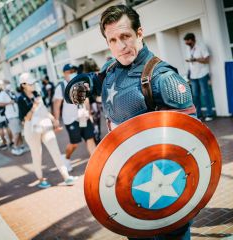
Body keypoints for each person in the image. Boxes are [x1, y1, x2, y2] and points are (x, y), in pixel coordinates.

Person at [65, 5, 196, 240]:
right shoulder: (111, 69)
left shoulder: (164, 79)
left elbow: (192, 143)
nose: (120, 46)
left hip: (164, 183)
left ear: (140, 33)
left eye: (125, 36)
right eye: (112, 39)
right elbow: (94, 81)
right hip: (126, 182)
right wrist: (79, 84)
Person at [17, 72, 77, 188]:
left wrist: (54, 119)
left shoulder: (37, 93)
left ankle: (66, 177)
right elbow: (27, 118)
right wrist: (34, 106)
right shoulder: (21, 99)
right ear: (23, 85)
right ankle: (40, 179)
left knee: (55, 151)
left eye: (34, 82)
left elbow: (43, 109)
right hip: (31, 129)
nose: (33, 84)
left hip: (44, 125)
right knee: (37, 154)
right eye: (30, 83)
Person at [53, 64, 96, 172]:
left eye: (74, 71)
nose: (72, 73)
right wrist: (56, 120)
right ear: (64, 73)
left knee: (90, 139)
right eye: (69, 71)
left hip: (83, 117)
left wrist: (88, 113)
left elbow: (86, 99)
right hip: (70, 119)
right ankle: (66, 158)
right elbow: (57, 104)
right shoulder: (61, 87)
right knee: (74, 143)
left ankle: (96, 163)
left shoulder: (80, 83)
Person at [184, 33, 213, 121]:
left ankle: (209, 114)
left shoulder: (201, 46)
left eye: (187, 41)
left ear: (191, 40)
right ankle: (199, 115)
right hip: (193, 76)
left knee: (205, 94)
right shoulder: (188, 49)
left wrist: (195, 59)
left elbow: (207, 59)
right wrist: (188, 74)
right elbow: (190, 64)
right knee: (195, 96)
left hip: (202, 74)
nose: (186, 43)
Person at [0, 81, 26, 155]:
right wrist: (9, 103)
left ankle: (21, 146)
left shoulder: (11, 92)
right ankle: (15, 147)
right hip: (11, 116)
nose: (8, 85)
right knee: (16, 133)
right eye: (7, 84)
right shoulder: (3, 94)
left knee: (19, 132)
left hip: (16, 115)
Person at [83, 58, 102, 144]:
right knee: (98, 122)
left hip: (90, 103)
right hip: (99, 102)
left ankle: (95, 139)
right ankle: (98, 137)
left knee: (91, 123)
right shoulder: (99, 74)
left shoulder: (85, 77)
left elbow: (85, 95)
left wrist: (87, 110)